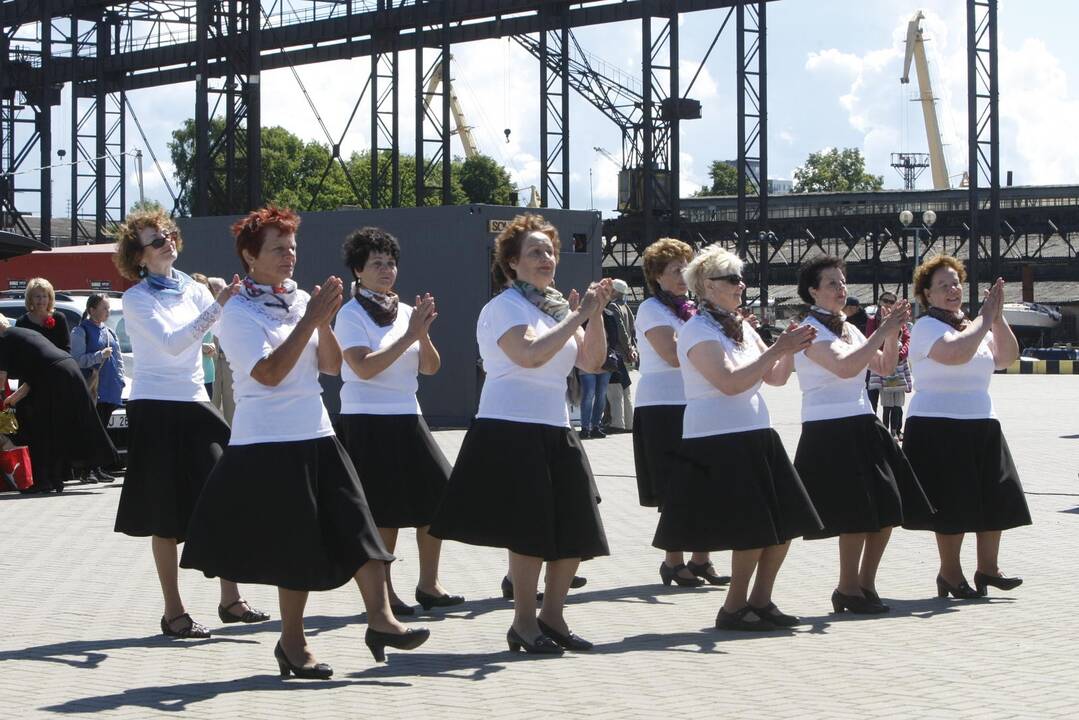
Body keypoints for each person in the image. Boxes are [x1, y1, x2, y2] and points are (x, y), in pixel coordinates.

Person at [180, 206, 429, 679]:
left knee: (361, 526)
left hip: (318, 432)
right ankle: (292, 644)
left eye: (293, 247)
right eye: (278, 248)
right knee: (295, 549)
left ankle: (381, 620)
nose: (289, 256)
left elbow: (332, 367)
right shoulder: (237, 313)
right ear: (250, 255)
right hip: (268, 442)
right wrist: (309, 321)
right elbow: (268, 374)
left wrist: (320, 322)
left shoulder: (299, 302)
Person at [430, 213, 611, 654]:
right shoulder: (503, 308)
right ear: (512, 263)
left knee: (577, 527)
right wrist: (578, 316)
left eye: (550, 250)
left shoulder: (556, 309)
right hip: (511, 428)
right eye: (535, 251)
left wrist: (596, 316)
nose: (546, 258)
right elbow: (528, 355)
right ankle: (524, 624)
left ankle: (553, 617)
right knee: (529, 532)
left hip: (555, 426)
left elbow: (592, 364)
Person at [111, 207, 268, 640]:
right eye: (155, 240)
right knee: (165, 516)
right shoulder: (137, 298)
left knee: (222, 497)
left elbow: (227, 331)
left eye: (168, 234)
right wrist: (217, 306)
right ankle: (174, 612)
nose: (167, 242)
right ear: (139, 257)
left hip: (196, 406)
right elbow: (174, 345)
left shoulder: (194, 290)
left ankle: (230, 599)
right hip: (157, 409)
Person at [653, 245, 822, 631]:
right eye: (732, 279)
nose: (740, 285)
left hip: (756, 434)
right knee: (751, 530)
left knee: (786, 524)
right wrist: (778, 348)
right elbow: (729, 383)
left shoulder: (740, 326)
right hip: (718, 438)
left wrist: (793, 349)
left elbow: (776, 378)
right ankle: (733, 607)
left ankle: (760, 601)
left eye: (740, 278)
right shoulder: (696, 329)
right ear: (707, 286)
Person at [792, 256, 933, 614]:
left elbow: (883, 367)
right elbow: (845, 367)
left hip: (862, 422)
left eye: (842, 283)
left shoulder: (849, 328)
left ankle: (866, 584)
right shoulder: (809, 330)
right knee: (855, 514)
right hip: (829, 427)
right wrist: (882, 333)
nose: (841, 290)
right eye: (832, 284)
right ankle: (848, 587)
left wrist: (893, 333)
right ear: (812, 291)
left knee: (888, 508)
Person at [335, 226, 463, 616]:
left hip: (408, 416)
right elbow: (362, 367)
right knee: (384, 511)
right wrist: (409, 336)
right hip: (367, 420)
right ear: (358, 270)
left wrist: (422, 335)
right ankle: (385, 594)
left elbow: (431, 367)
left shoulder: (406, 312)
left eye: (391, 263)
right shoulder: (350, 314)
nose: (387, 270)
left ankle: (429, 584)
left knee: (438, 499)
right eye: (376, 264)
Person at [901, 255, 1030, 599]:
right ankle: (951, 574)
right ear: (926, 295)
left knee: (996, 497)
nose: (952, 290)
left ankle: (988, 568)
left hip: (981, 421)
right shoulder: (927, 327)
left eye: (955, 283)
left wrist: (997, 320)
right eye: (942, 286)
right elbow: (956, 355)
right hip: (939, 425)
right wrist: (985, 319)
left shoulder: (971, 324)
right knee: (952, 503)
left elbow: (1005, 358)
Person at [633, 238, 728, 588]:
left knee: (702, 480)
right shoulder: (651, 309)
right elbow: (673, 355)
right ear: (656, 276)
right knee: (674, 485)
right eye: (674, 271)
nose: (681, 277)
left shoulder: (693, 310)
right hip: (662, 405)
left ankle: (701, 558)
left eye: (686, 270)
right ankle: (672, 561)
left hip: (696, 401)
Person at [0, 314, 118, 493]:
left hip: (54, 376)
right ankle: (55, 479)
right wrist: (14, 398)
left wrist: (2, 397)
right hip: (67, 371)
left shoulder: (5, 340)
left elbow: (1, 377)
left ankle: (43, 481)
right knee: (56, 429)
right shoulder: (22, 334)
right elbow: (38, 371)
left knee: (39, 429)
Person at [70, 293, 125, 483]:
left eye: (108, 308)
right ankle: (87, 470)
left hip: (110, 389)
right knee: (93, 430)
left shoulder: (109, 331)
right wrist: (99, 355)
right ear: (92, 310)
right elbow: (77, 360)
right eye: (104, 308)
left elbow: (118, 359)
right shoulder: (80, 331)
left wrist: (120, 380)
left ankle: (97, 467)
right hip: (93, 389)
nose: (108, 312)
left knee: (103, 431)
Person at [866, 292, 910, 414]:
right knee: (872, 398)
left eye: (891, 302)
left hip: (896, 363)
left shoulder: (900, 319)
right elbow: (870, 338)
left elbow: (907, 339)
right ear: (880, 301)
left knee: (896, 402)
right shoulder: (872, 319)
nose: (888, 304)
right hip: (876, 362)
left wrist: (899, 355)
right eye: (885, 300)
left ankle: (896, 429)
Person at [604, 278, 637, 433]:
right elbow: (632, 331)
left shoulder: (613, 306)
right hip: (627, 356)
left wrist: (628, 347)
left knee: (615, 391)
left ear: (615, 291)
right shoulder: (627, 307)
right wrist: (633, 349)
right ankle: (630, 424)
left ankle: (617, 423)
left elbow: (622, 331)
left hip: (617, 354)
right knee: (626, 391)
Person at [17, 277, 71, 353]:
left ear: (50, 298)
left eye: (45, 296)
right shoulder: (22, 322)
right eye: (37, 296)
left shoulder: (59, 318)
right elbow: (18, 351)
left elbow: (66, 349)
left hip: (56, 364)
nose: (41, 300)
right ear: (30, 299)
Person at [191, 273, 219, 400]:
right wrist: (201, 347)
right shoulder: (185, 312)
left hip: (207, 373)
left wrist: (212, 346)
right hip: (190, 375)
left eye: (205, 288)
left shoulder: (211, 312)